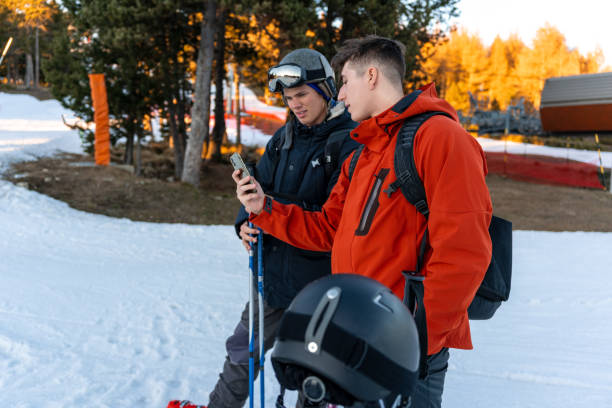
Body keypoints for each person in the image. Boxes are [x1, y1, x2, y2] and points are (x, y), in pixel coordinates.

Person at [233, 36, 493, 408]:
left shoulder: (439, 138)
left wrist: (412, 338)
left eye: (345, 81)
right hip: (353, 336)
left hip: (401, 346)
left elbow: (464, 254)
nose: (339, 95)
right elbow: (327, 229)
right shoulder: (364, 152)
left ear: (371, 76)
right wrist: (264, 207)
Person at [167, 48, 358, 408]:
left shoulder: (348, 142)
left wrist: (267, 209)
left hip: (320, 285)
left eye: (302, 94)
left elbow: (334, 222)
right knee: (242, 350)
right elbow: (257, 195)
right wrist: (245, 224)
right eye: (288, 98)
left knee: (311, 369)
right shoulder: (285, 138)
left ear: (327, 88)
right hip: (271, 276)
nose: (295, 104)